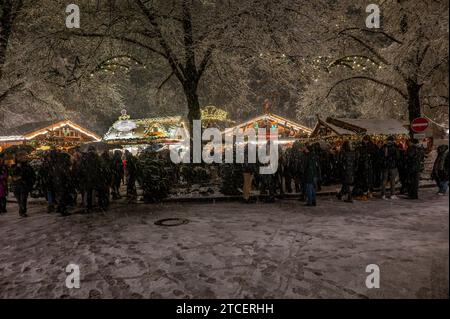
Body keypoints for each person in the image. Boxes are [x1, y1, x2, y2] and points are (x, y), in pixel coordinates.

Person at [10, 153, 35, 218]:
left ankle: (22, 212)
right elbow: (11, 173)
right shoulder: (13, 166)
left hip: (24, 186)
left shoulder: (27, 167)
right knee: (19, 200)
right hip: (16, 186)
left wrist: (22, 176)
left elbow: (31, 175)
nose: (22, 158)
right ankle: (22, 210)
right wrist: (17, 167)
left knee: (23, 199)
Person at [79, 146, 102, 213]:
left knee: (88, 192)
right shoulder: (97, 157)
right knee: (94, 191)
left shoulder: (84, 158)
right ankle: (93, 204)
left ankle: (88, 206)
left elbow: (81, 169)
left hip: (86, 178)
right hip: (94, 177)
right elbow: (100, 168)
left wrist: (82, 177)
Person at [380, 136, 400, 200]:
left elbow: (380, 156)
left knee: (384, 180)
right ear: (393, 140)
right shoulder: (394, 147)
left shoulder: (383, 147)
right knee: (392, 181)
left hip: (385, 166)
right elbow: (398, 157)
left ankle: (383, 194)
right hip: (392, 166)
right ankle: (392, 194)